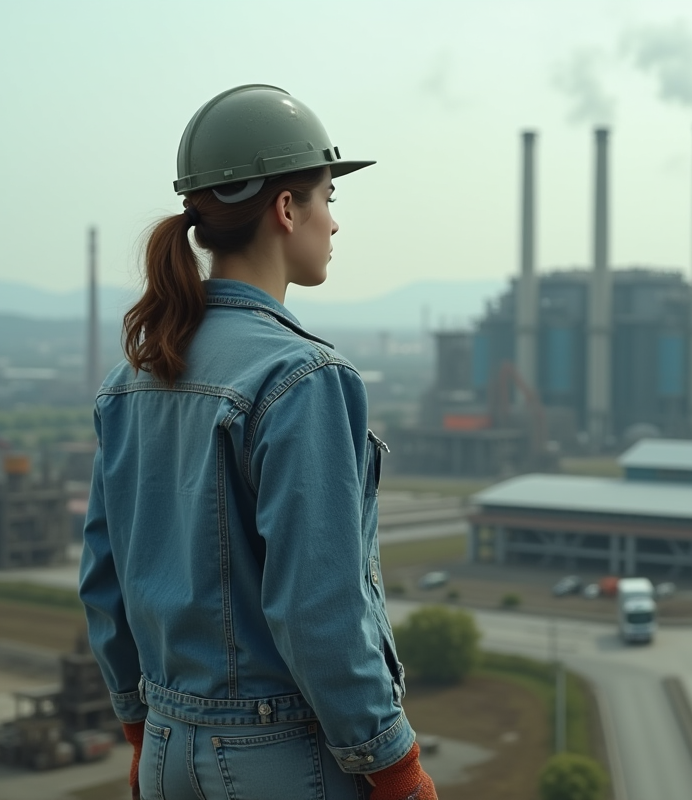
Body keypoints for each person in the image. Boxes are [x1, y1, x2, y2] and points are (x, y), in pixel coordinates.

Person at [79, 84, 437, 800]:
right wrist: (395, 765)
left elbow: (103, 578)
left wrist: (142, 728)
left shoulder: (135, 375)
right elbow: (319, 606)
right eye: (328, 198)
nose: (333, 224)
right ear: (285, 209)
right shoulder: (303, 376)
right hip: (282, 758)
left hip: (167, 749)